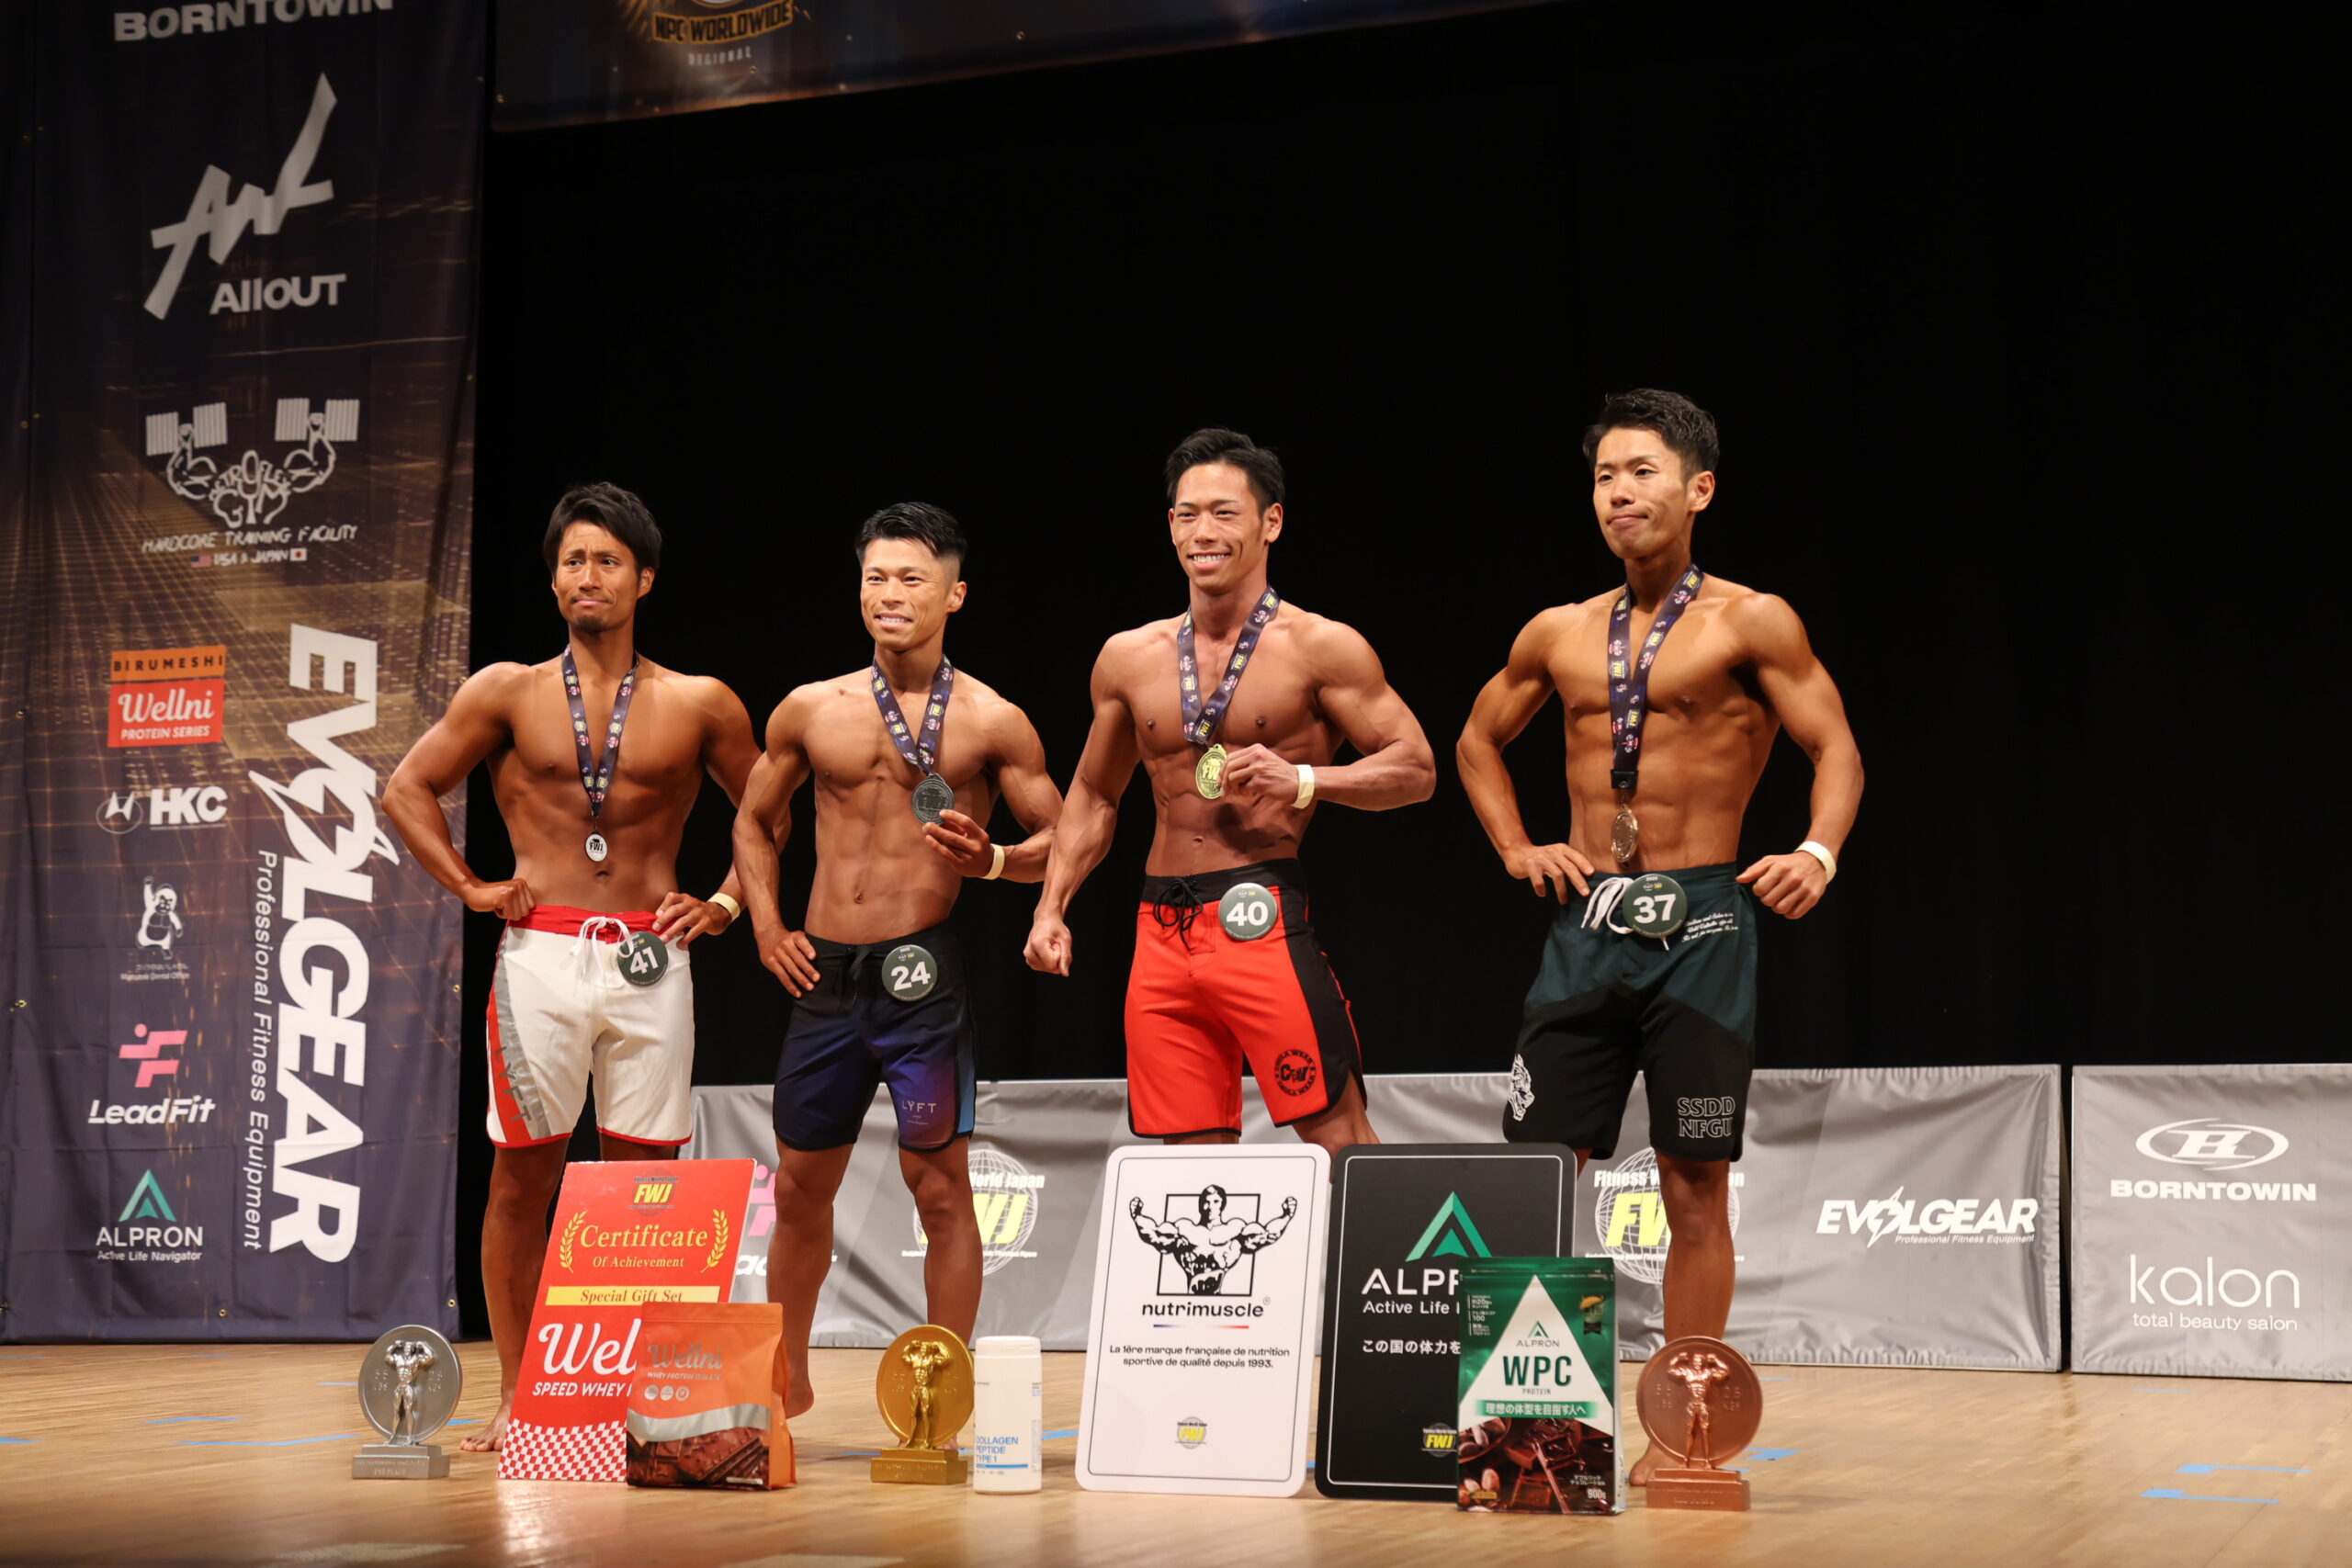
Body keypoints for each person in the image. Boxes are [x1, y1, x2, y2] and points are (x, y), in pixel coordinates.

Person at [1456, 388, 1862, 1481]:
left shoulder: (1751, 621)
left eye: (1641, 472)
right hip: (1587, 924)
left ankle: (1688, 1438)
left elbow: (1834, 747)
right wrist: (1516, 846)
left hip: (1704, 925)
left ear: (1699, 489)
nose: (1619, 493)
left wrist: (1816, 852)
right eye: (1603, 476)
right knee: (1540, 1172)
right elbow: (1477, 740)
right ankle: (1533, 1440)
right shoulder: (1556, 632)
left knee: (1692, 1182)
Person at [383, 482, 760, 1451]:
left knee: (646, 1189)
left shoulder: (701, 701)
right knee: (522, 1181)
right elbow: (407, 788)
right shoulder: (505, 691)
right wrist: (470, 886)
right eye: (572, 560)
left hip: (650, 954)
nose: (588, 575)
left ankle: (637, 1402)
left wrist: (724, 903)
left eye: (607, 560)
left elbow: (769, 813)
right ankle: (524, 1396)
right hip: (540, 956)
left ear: (645, 579)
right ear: (554, 580)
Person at [732, 502, 1061, 1416]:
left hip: (920, 981)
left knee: (940, 1187)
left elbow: (1065, 837)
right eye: (875, 576)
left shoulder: (992, 720)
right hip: (824, 977)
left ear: (954, 593)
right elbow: (754, 821)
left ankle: (938, 1400)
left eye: (911, 577)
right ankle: (787, 1385)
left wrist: (996, 861)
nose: (889, 593)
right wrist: (766, 927)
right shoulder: (812, 708)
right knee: (801, 1186)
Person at [1023, 427, 1435, 1150]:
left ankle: (1385, 1236)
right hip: (1159, 927)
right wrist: (1051, 905)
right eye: (1187, 514)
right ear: (1170, 526)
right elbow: (1093, 793)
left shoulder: (1319, 647)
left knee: (1337, 1135)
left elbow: (1415, 769)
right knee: (1189, 1160)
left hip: (1260, 911)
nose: (1203, 532)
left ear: (1271, 521)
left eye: (1224, 512)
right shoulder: (1128, 657)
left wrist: (1304, 779)